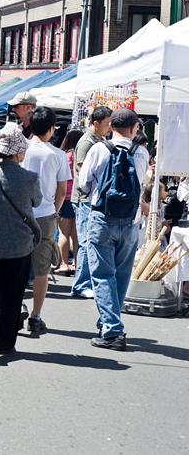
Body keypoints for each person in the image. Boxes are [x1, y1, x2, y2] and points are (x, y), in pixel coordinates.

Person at [79, 108, 149, 351]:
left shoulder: (99, 149)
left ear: (111, 127)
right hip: (130, 220)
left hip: (102, 217)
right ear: (132, 129)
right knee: (121, 275)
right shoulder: (142, 152)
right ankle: (109, 321)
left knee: (101, 274)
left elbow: (83, 183)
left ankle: (112, 331)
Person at [0, 123, 42, 361]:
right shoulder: (30, 178)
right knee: (14, 292)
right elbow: (36, 202)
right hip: (20, 244)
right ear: (19, 152)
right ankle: (6, 342)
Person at [20, 107, 71, 333]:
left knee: (16, 264)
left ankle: (16, 305)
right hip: (45, 214)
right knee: (41, 270)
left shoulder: (21, 149)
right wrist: (55, 209)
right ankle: (35, 316)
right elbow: (62, 190)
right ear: (51, 129)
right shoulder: (58, 155)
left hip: (19, 214)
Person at [70, 106, 113, 298]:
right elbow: (83, 173)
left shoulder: (100, 141)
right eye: (107, 124)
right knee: (86, 242)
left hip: (92, 199)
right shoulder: (87, 142)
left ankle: (85, 283)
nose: (110, 127)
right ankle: (80, 285)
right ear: (96, 124)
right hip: (85, 199)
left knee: (91, 242)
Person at [56, 129, 83, 275]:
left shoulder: (63, 157)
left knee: (63, 233)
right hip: (78, 197)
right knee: (76, 234)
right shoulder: (82, 156)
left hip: (64, 197)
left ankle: (64, 264)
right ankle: (77, 264)